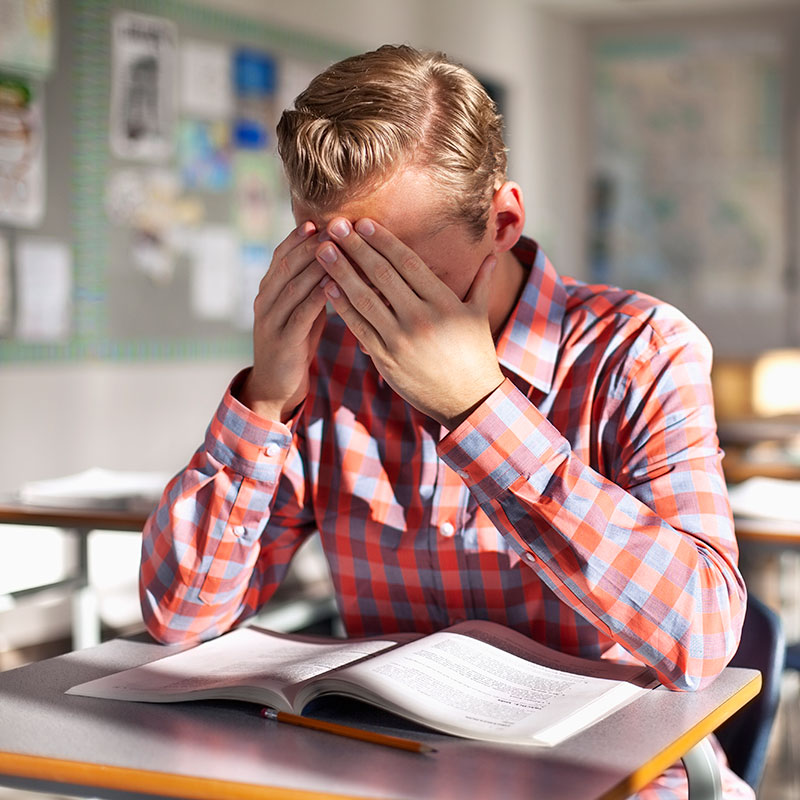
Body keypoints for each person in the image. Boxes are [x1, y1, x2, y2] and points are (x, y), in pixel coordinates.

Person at [140, 45, 750, 799]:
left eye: (396, 266)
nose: (365, 303)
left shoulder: (641, 349)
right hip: (384, 771)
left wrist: (480, 413)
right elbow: (181, 617)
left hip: (612, 777)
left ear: (502, 222)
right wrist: (266, 398)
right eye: (331, 262)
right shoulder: (325, 361)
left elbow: (702, 636)